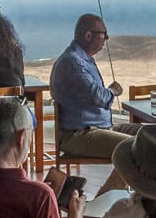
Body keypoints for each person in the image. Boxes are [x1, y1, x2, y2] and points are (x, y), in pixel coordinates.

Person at [49, 13, 136, 158]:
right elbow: (97, 97)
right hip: (79, 135)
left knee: (153, 134)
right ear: (88, 36)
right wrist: (113, 91)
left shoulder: (83, 60)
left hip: (99, 127)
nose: (107, 38)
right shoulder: (73, 63)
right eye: (104, 34)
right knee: (136, 148)